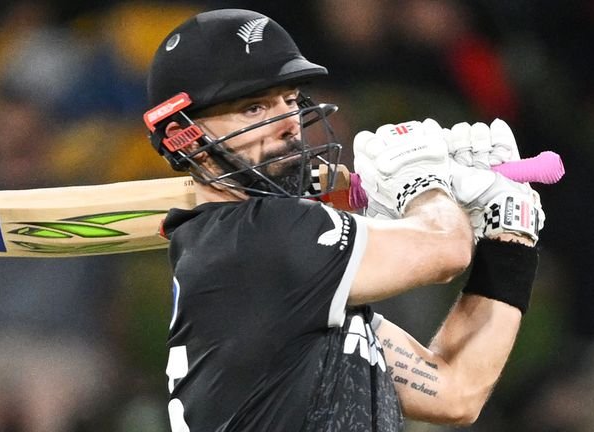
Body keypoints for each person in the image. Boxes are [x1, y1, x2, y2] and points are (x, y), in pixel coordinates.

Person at [143, 9, 545, 431]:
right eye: (253, 108)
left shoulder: (296, 291)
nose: (288, 125)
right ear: (186, 139)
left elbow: (456, 393)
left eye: (291, 101)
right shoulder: (258, 236)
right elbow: (445, 251)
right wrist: (421, 183)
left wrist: (509, 236)